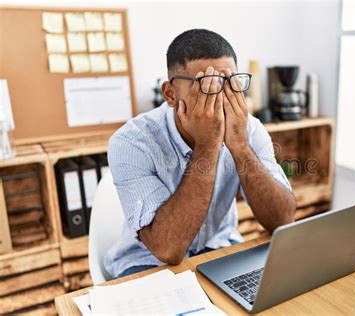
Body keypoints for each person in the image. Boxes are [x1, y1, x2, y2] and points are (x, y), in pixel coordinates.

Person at [104, 29, 296, 279]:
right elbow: (168, 249)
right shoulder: (131, 142)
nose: (221, 98)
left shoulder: (249, 129)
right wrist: (208, 145)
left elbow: (282, 221)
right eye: (206, 86)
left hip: (220, 249)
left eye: (229, 84)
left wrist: (239, 145)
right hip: (147, 263)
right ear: (171, 94)